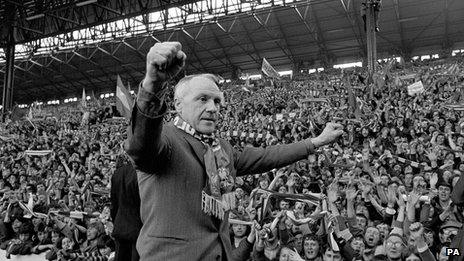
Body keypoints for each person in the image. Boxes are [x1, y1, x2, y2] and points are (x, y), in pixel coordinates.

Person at [125, 41, 344, 260]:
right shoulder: (165, 140)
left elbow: (267, 156)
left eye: (217, 102)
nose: (213, 108)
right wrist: (152, 86)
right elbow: (140, 147)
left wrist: (315, 141)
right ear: (178, 104)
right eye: (202, 99)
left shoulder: (222, 149)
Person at [110, 157, 141, 261]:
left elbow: (113, 204)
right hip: (139, 229)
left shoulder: (117, 173)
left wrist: (117, 221)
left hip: (120, 225)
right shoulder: (143, 173)